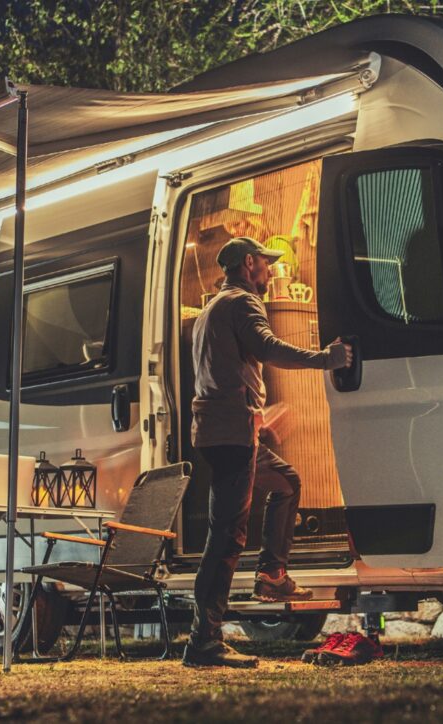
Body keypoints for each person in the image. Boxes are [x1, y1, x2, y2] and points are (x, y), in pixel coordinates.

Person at [182, 236, 353, 669]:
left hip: (225, 430)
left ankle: (272, 575)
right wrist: (324, 359)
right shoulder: (242, 302)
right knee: (226, 538)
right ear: (249, 263)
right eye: (266, 264)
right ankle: (204, 642)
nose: (271, 271)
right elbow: (269, 349)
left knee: (287, 483)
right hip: (232, 434)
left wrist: (256, 413)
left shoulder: (210, 310)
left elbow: (225, 371)